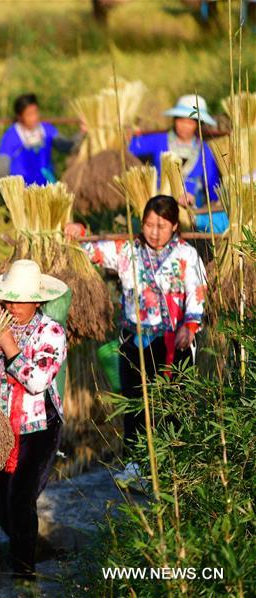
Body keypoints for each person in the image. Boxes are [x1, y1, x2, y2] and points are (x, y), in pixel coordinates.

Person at [65, 195, 207, 489]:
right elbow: (91, 249)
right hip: (134, 340)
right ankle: (136, 465)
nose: (155, 231)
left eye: (162, 225)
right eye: (149, 224)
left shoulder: (186, 255)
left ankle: (172, 467)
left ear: (175, 226)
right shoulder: (127, 251)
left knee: (172, 405)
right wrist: (78, 232)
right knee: (134, 404)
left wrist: (189, 327)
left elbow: (197, 293)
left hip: (172, 343)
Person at [0, 259, 69, 582]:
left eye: (20, 299)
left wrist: (8, 345)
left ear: (38, 301)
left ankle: (24, 574)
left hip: (39, 427)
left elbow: (37, 381)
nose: (12, 305)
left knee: (20, 496)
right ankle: (28, 544)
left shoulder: (52, 332)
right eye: (8, 298)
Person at [128, 95, 224, 233]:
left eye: (190, 122)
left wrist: (200, 202)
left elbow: (212, 186)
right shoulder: (159, 140)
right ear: (174, 120)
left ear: (198, 124)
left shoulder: (205, 151)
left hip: (191, 211)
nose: (184, 126)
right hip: (158, 208)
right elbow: (129, 148)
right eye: (181, 120)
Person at [0, 93, 80, 185]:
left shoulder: (47, 130)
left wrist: (81, 133)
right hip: (23, 189)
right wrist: (9, 188)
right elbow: (2, 166)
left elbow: (66, 146)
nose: (34, 117)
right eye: (29, 114)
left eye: (35, 112)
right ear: (19, 117)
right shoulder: (11, 136)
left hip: (46, 186)